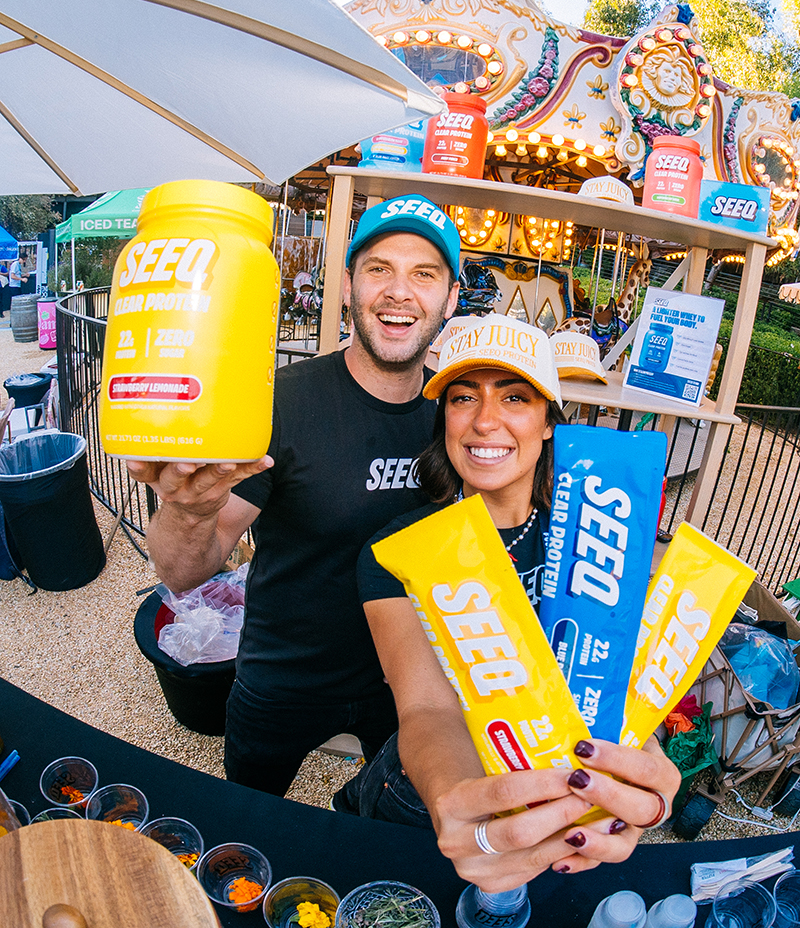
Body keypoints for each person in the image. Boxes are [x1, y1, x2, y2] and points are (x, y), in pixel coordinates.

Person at [128, 194, 461, 796]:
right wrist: (188, 509)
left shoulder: (456, 415)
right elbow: (183, 572)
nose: (398, 291)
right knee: (248, 823)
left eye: (425, 274)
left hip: (403, 683)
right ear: (347, 286)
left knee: (379, 826)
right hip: (281, 678)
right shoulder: (284, 401)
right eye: (379, 268)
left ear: (450, 300)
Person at [335, 313, 680, 891]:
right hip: (426, 803)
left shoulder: (599, 541)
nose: (485, 421)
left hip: (564, 811)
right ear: (443, 416)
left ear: (549, 422)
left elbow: (615, 685)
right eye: (463, 397)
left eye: (515, 397)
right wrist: (457, 800)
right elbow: (426, 709)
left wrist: (633, 766)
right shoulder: (402, 550)